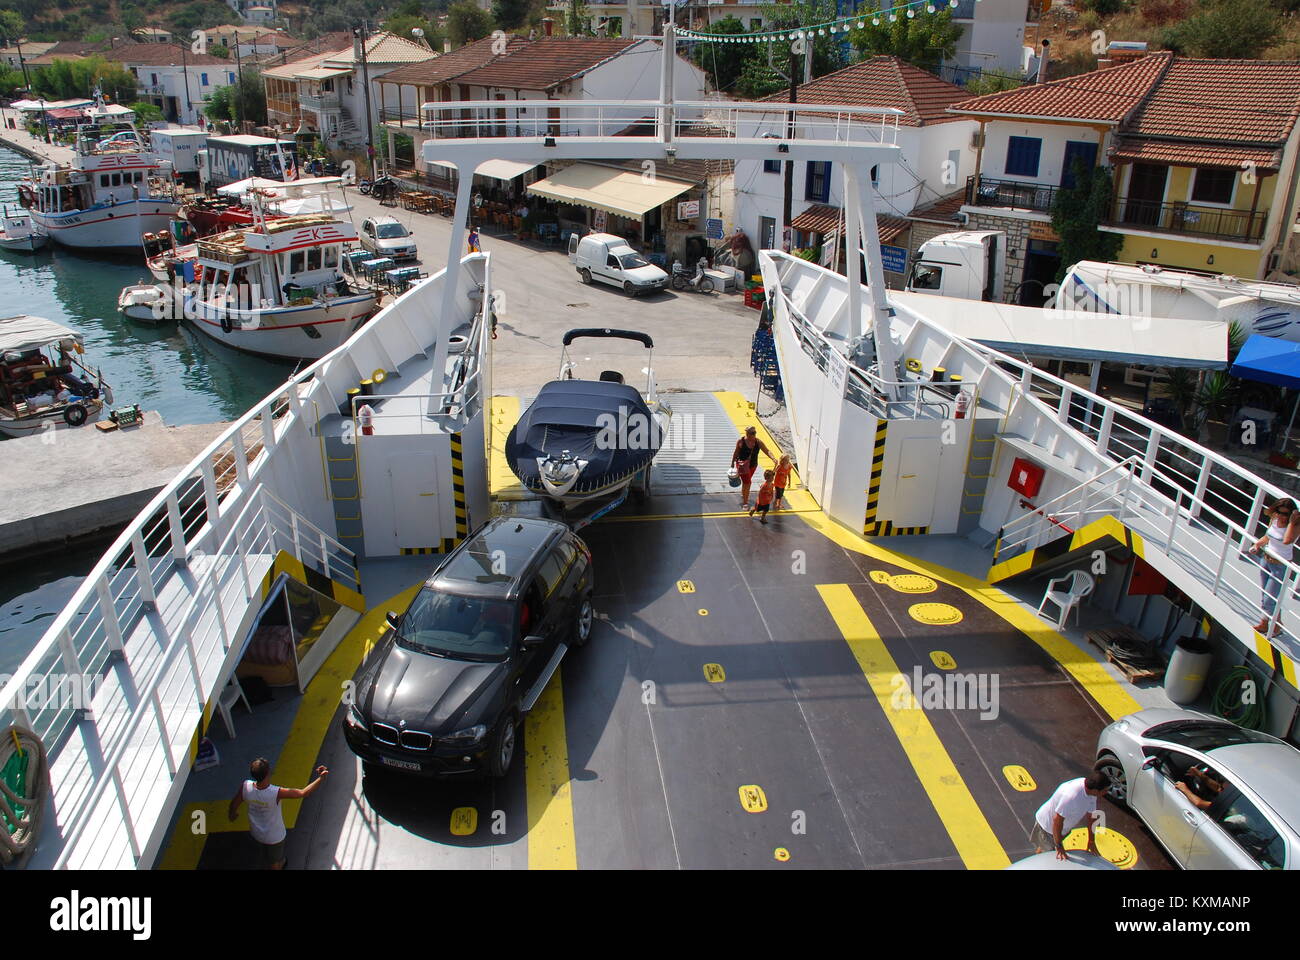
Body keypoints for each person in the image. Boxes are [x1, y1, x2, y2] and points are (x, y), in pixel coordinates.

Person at [228, 758, 328, 869]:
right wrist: (321, 778)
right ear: (268, 773)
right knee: (275, 863)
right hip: (274, 837)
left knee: (265, 853)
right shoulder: (275, 793)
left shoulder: (246, 786)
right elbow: (303, 793)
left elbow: (234, 804)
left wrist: (232, 815)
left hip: (256, 832)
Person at [1247, 497, 1299, 634]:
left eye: (1285, 514)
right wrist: (1257, 544)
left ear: (1291, 514)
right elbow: (1268, 537)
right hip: (1266, 559)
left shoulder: (1295, 526)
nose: (1281, 516)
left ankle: (1271, 623)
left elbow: (1287, 540)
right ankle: (1270, 623)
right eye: (1279, 512)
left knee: (1269, 598)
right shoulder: (1274, 519)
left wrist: (1291, 522)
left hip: (1279, 566)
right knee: (1266, 594)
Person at [1031, 770, 1109, 860]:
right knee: (1046, 856)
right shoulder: (1071, 797)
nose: (1106, 792)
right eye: (1105, 790)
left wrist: (1091, 841)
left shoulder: (1091, 792)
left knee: (1046, 850)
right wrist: (1059, 846)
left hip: (1061, 830)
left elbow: (1091, 816)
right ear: (1096, 790)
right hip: (1048, 829)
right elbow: (1057, 821)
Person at [731, 425, 773, 509]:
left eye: (754, 433)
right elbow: (736, 452)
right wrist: (732, 462)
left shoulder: (758, 442)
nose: (754, 435)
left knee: (746, 482)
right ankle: (745, 503)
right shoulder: (741, 441)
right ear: (747, 433)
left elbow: (767, 450)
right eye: (752, 433)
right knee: (748, 483)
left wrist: (773, 458)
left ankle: (744, 493)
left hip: (753, 465)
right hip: (742, 465)